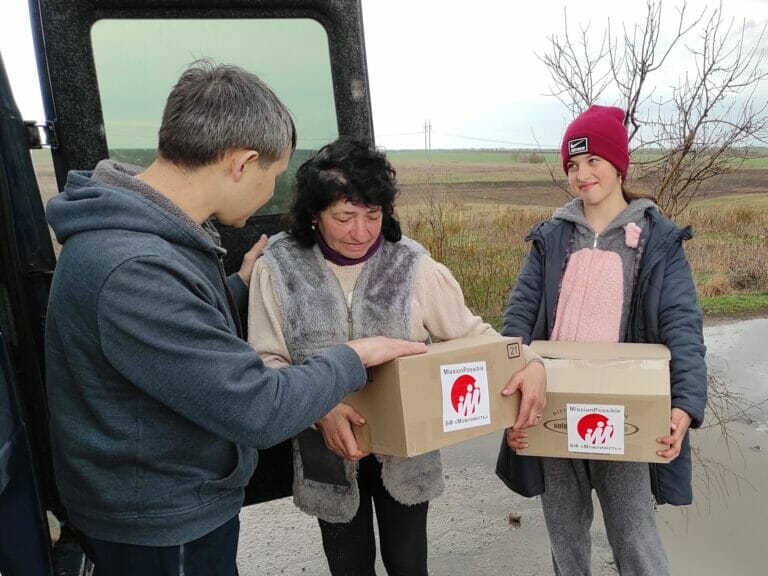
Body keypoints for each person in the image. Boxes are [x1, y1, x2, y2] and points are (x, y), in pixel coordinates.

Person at [44, 61, 427, 576]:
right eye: (273, 175)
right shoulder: (136, 265)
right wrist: (355, 356)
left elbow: (172, 335)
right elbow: (258, 408)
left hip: (165, 501)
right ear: (243, 163)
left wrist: (235, 287)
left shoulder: (148, 239)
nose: (271, 192)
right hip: (161, 524)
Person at [247, 138, 546, 576]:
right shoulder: (279, 269)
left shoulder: (413, 266)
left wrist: (533, 363)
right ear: (314, 214)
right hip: (327, 451)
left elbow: (476, 336)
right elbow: (267, 362)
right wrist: (319, 409)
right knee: (349, 566)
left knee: (409, 564)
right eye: (344, 217)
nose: (361, 232)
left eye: (373, 215)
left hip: (408, 456)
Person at [497, 105, 707, 575]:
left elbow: (683, 329)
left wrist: (685, 404)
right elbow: (518, 321)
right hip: (553, 407)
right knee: (566, 540)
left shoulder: (656, 241)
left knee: (635, 538)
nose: (581, 174)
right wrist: (511, 397)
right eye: (572, 165)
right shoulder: (552, 238)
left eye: (592, 160)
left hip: (625, 409)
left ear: (618, 163)